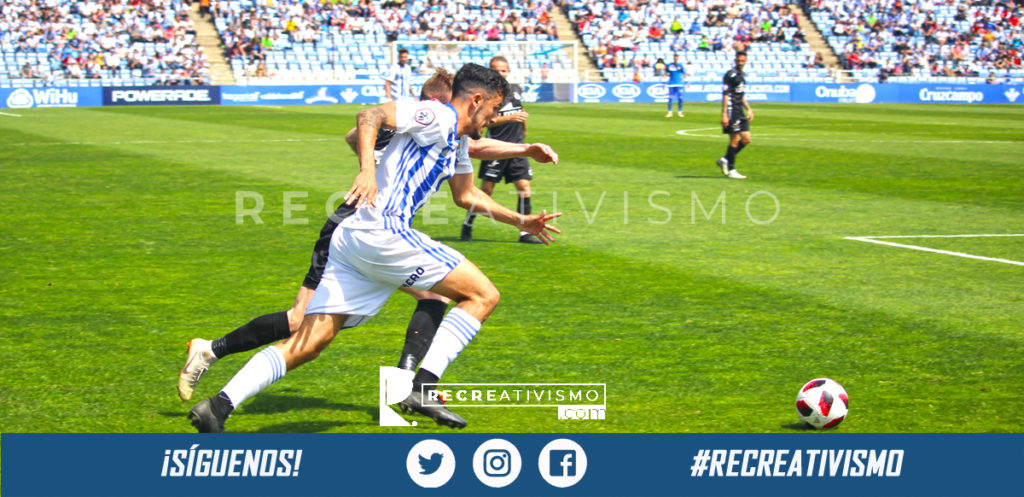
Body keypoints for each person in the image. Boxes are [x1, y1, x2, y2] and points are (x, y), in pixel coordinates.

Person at [187, 64, 562, 432]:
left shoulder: (458, 140)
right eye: (494, 109)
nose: (494, 117)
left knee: (310, 340)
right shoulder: (438, 114)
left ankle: (217, 407)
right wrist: (367, 169)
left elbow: (466, 195)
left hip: (354, 241)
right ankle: (421, 388)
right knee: (483, 295)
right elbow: (370, 114)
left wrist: (521, 221)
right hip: (385, 232)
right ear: (476, 99)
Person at [460, 56, 542, 244]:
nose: (500, 74)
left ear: (508, 71)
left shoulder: (515, 90)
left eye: (503, 71)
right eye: (495, 70)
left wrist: (523, 129)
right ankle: (468, 224)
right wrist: (511, 118)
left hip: (517, 146)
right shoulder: (485, 95)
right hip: (495, 148)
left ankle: (524, 233)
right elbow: (487, 121)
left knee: (524, 187)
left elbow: (519, 112)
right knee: (486, 191)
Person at [716, 51, 752, 179]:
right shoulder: (730, 75)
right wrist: (725, 114)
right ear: (735, 60)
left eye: (743, 61)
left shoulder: (741, 75)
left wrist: (748, 109)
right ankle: (731, 169)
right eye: (738, 61)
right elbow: (726, 95)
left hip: (740, 110)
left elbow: (740, 95)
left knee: (747, 139)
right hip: (732, 110)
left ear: (746, 61)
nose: (740, 63)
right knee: (734, 139)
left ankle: (725, 159)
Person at [664, 53, 685, 117]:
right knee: (670, 98)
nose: (676, 59)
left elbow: (683, 72)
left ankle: (680, 112)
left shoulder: (680, 65)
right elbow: (666, 72)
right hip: (671, 83)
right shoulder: (669, 65)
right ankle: (670, 112)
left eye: (677, 58)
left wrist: (685, 81)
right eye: (675, 57)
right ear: (673, 58)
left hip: (679, 84)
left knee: (680, 98)